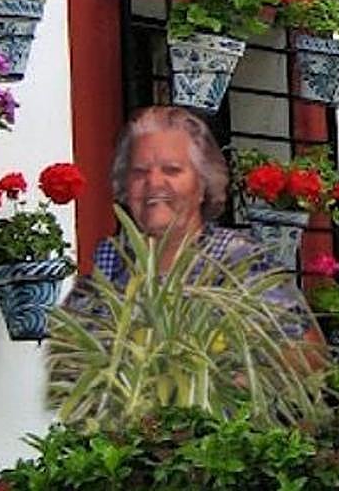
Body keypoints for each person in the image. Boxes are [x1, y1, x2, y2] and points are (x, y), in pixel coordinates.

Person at [67, 105, 317, 341]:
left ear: (202, 185)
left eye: (172, 170)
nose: (153, 183)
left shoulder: (239, 259)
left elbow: (308, 355)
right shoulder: (110, 261)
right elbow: (69, 356)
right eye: (140, 171)